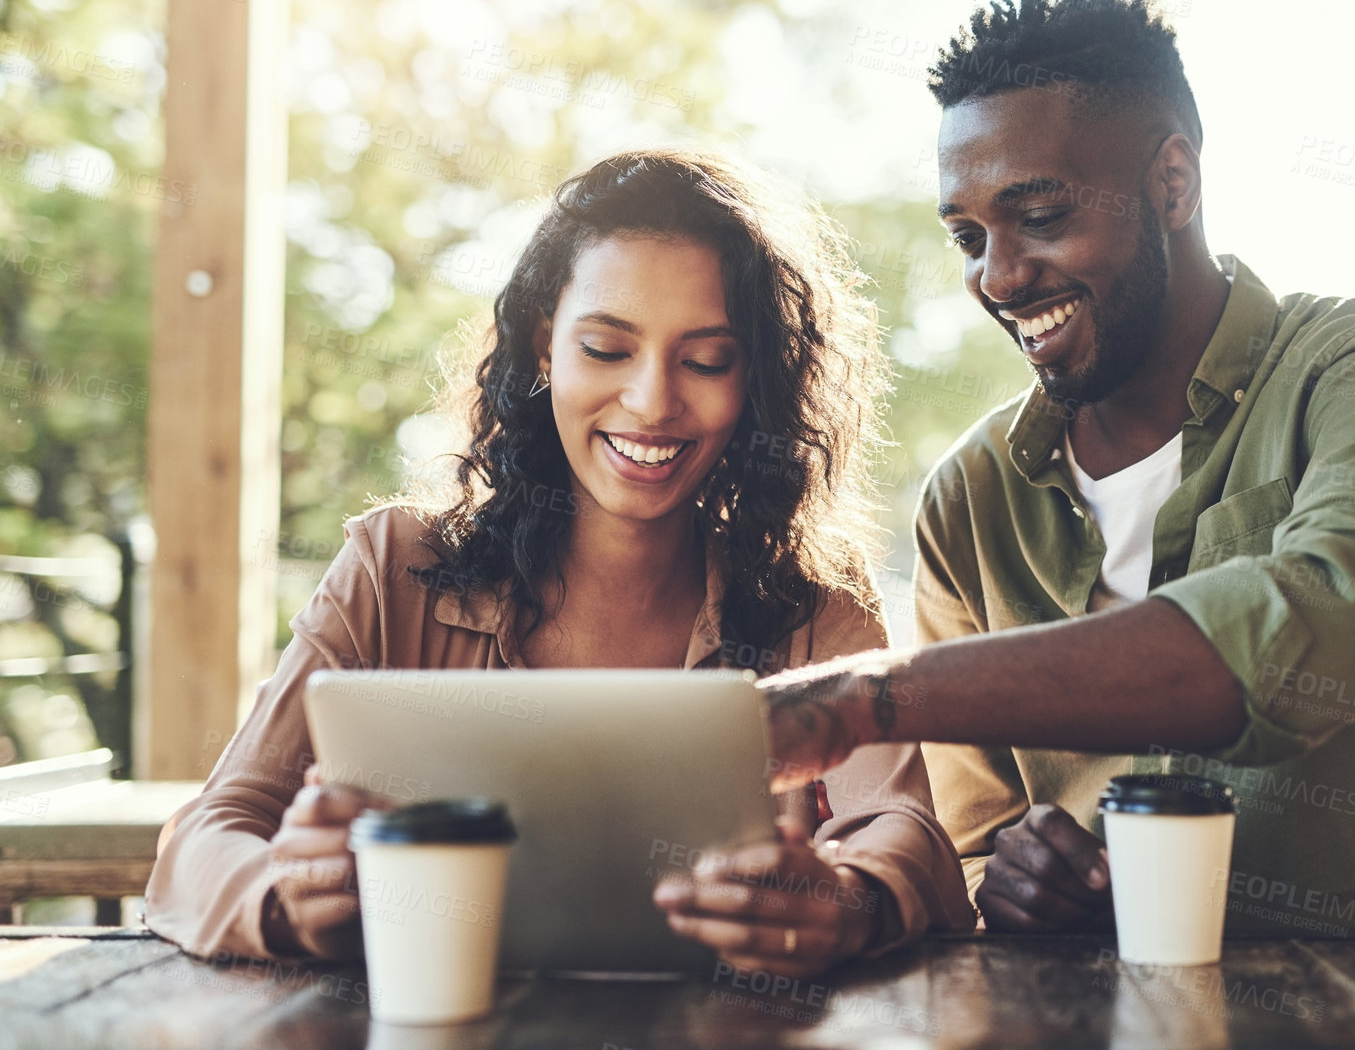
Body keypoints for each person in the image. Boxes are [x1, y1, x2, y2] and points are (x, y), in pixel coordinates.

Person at [759, 0, 1355, 939]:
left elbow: (1325, 619)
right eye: (968, 235)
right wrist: (1016, 879)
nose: (996, 276)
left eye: (1039, 217)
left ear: (1172, 183)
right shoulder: (972, 497)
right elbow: (977, 840)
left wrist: (859, 699)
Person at [145, 149, 972, 974]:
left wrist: (845, 904)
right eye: (607, 350)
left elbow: (903, 830)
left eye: (706, 360)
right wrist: (287, 901)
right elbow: (215, 827)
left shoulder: (811, 601)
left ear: (754, 377)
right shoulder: (392, 566)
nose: (652, 401)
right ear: (545, 348)